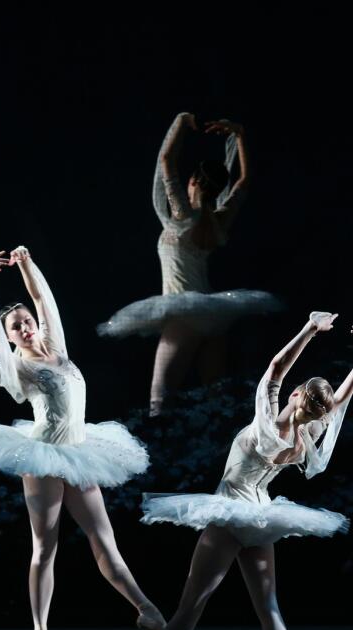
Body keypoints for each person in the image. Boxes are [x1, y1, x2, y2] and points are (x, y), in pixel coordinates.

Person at [109, 311, 353, 630]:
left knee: (189, 609)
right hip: (261, 516)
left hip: (232, 511)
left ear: (298, 394)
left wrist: (309, 329)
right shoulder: (308, 435)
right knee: (269, 608)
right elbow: (335, 406)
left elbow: (276, 368)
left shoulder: (269, 421)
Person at [0, 246, 165, 630]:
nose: (25, 328)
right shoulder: (17, 365)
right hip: (44, 457)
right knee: (44, 546)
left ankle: (148, 610)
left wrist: (26, 263)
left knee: (104, 541)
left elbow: (41, 299)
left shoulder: (57, 348)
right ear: (10, 337)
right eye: (16, 328)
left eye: (27, 323)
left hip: (80, 451)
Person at [97, 113, 280, 414]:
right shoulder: (219, 220)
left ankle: (163, 454)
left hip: (184, 314)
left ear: (193, 181)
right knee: (216, 396)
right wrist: (240, 134)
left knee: (159, 397)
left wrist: (182, 122)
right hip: (214, 313)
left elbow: (167, 160)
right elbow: (244, 181)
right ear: (217, 189)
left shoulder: (182, 215)